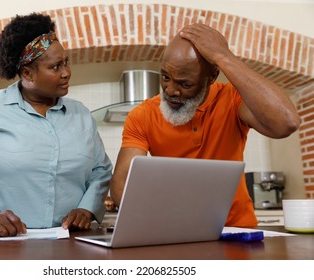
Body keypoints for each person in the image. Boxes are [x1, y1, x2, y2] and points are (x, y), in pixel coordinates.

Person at [109, 23, 301, 227]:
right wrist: (157, 225)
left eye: (185, 84)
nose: (171, 90)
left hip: (236, 229)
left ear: (212, 77)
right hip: (173, 231)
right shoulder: (143, 115)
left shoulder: (232, 100)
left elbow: (286, 123)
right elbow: (122, 184)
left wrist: (224, 56)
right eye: (165, 77)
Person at [0, 13, 112, 237]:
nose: (66, 72)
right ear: (27, 74)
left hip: (70, 241)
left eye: (66, 62)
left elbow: (101, 170)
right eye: (55, 67)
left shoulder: (81, 115)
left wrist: (87, 209)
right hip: (5, 242)